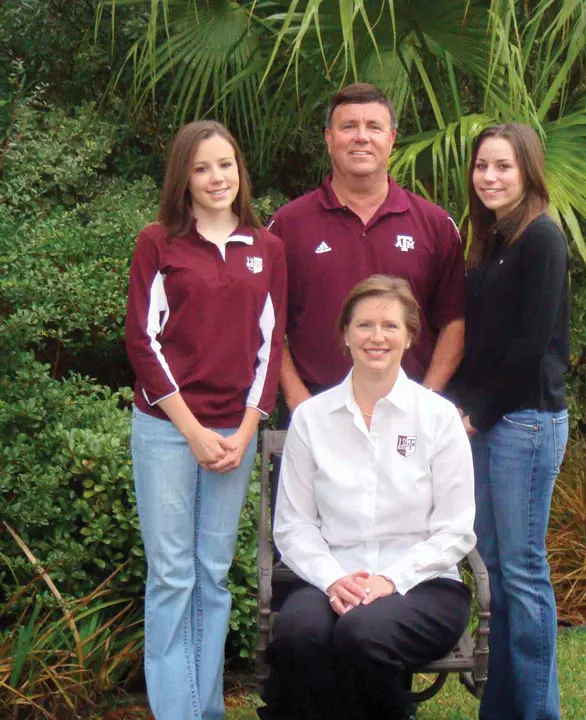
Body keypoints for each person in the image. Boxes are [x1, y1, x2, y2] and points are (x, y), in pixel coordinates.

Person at [125, 120, 287, 720]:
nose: (217, 177)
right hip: (168, 430)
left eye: (226, 165)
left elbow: (271, 349)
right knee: (172, 576)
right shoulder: (159, 243)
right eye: (201, 168)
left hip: (233, 434)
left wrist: (245, 431)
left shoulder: (266, 248)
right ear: (183, 179)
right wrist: (192, 430)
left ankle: (207, 710)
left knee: (213, 576)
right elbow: (142, 343)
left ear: (239, 172)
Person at [259, 275, 476, 720]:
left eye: (390, 326)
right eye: (364, 326)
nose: (377, 337)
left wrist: (390, 580)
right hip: (330, 578)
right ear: (345, 334)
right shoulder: (312, 419)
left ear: (410, 336)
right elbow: (294, 525)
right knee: (300, 634)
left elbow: (455, 531)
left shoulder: (437, 418)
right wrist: (333, 579)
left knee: (362, 633)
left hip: (424, 584)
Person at [454, 123, 570, 720]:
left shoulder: (542, 238)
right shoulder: (491, 240)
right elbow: (484, 344)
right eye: (482, 166)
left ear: (528, 170)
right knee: (495, 571)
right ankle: (501, 710)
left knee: (522, 573)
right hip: (490, 423)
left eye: (503, 166)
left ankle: (537, 712)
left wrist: (478, 414)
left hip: (525, 423)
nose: (490, 177)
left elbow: (529, 347)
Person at [267, 82, 465, 423]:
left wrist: (427, 399)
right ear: (329, 138)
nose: (362, 137)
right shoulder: (287, 226)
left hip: (409, 414)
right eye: (348, 126)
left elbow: (455, 322)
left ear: (392, 138)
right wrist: (299, 401)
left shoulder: (435, 226)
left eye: (374, 127)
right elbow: (267, 323)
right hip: (315, 410)